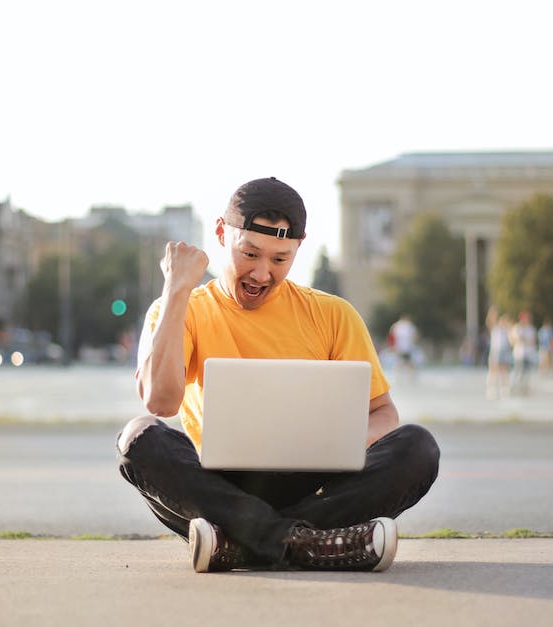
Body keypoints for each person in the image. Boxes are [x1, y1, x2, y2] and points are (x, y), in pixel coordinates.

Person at [116, 177, 440, 574]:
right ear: (221, 233)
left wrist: (332, 443)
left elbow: (384, 415)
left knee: (418, 447)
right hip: (219, 488)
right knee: (138, 437)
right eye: (249, 254)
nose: (261, 273)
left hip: (313, 484)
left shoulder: (332, 314)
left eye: (279, 259)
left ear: (298, 249)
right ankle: (308, 543)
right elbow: (160, 402)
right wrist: (176, 290)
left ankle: (244, 544)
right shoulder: (179, 308)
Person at [510, 310, 538, 396]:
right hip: (519, 354)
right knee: (517, 372)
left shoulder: (531, 329)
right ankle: (514, 387)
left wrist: (524, 340)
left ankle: (525, 388)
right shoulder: (517, 328)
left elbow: (533, 341)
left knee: (527, 373)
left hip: (529, 354)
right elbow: (514, 339)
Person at [388, 314, 420, 383]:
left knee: (403, 363)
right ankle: (408, 377)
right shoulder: (407, 326)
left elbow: (391, 336)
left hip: (403, 348)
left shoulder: (397, 326)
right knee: (404, 363)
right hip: (403, 348)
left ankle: (400, 378)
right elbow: (415, 336)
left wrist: (392, 346)